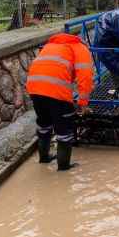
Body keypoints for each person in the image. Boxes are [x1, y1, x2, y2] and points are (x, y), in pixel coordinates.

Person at [26, 32, 94, 171]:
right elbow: (85, 77)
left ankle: (44, 158)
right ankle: (63, 168)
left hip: (34, 88)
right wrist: (83, 103)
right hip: (56, 91)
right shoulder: (80, 48)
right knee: (64, 130)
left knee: (44, 124)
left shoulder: (51, 45)